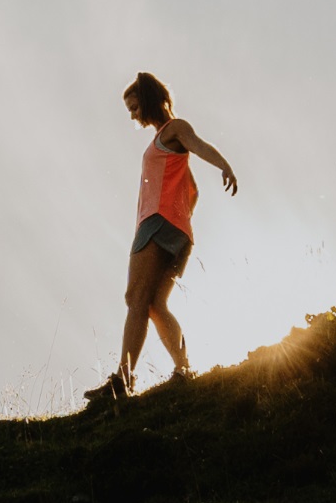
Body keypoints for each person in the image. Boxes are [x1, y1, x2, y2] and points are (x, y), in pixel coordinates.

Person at [87, 72, 237, 406]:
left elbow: (198, 145)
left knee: (135, 297)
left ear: (149, 99)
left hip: (155, 224)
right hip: (178, 231)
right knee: (154, 303)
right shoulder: (167, 141)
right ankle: (184, 370)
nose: (133, 115)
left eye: (135, 106)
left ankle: (122, 382)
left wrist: (224, 165)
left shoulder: (174, 129)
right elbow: (193, 190)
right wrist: (181, 218)